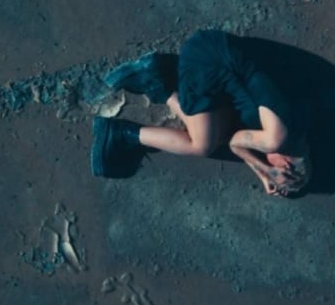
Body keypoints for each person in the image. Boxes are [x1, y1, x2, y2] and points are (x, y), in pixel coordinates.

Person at [91, 29, 311, 196]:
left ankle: (157, 82)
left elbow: (235, 143)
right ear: (286, 165)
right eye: (278, 172)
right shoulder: (276, 139)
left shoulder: (291, 134)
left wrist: (264, 172)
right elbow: (237, 143)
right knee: (203, 145)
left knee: (218, 136)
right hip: (207, 60)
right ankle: (122, 133)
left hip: (220, 64)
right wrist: (265, 169)